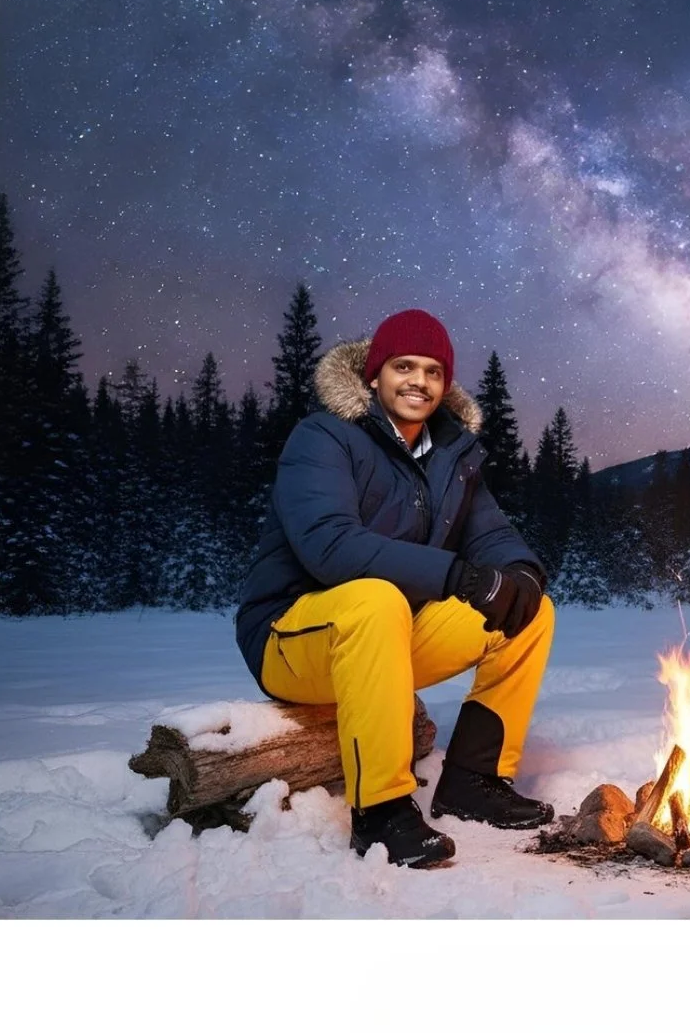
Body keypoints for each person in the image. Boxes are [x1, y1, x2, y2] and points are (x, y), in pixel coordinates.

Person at [235, 308, 557, 868]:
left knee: (530, 611)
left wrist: (521, 575)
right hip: (291, 636)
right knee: (376, 598)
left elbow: (495, 535)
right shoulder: (323, 437)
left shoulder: (451, 456)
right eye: (403, 366)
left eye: (433, 371)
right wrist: (456, 575)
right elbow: (330, 545)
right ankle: (381, 812)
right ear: (374, 375)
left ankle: (473, 781)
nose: (418, 381)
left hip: (387, 632)